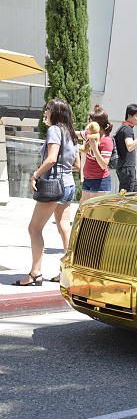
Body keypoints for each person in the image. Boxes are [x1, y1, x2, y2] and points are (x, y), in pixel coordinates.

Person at [13, 98, 80, 286]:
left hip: (53, 187)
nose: (45, 112)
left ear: (55, 112)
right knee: (64, 228)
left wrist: (35, 175)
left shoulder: (54, 131)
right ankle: (68, 273)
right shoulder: (70, 133)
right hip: (68, 186)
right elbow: (77, 165)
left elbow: (51, 159)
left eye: (48, 109)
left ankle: (35, 273)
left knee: (34, 229)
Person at [79, 105, 114, 203]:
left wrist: (94, 148)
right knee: (83, 209)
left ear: (96, 124)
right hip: (88, 179)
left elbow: (103, 165)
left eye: (89, 121)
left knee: (95, 214)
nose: (88, 123)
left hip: (100, 182)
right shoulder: (89, 135)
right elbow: (73, 133)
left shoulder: (107, 141)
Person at [114, 103, 137, 192]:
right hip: (127, 168)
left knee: (134, 196)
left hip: (125, 168)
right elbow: (129, 146)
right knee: (128, 197)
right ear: (129, 115)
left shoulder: (123, 128)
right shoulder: (127, 129)